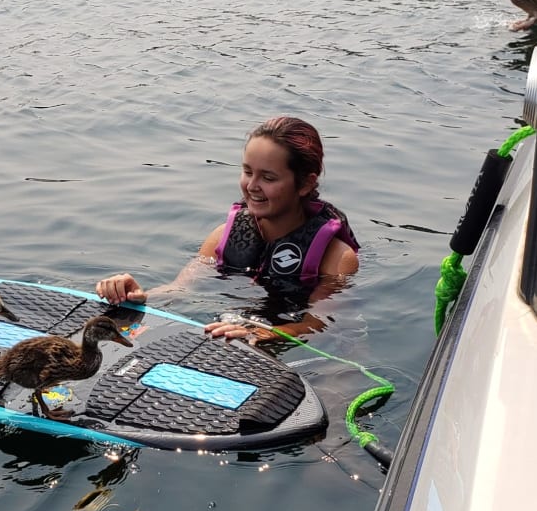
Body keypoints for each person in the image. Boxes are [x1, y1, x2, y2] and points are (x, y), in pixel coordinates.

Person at [96, 116, 359, 343]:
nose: (252, 186)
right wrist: (137, 296)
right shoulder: (223, 236)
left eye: (268, 178)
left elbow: (318, 326)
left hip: (291, 339)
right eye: (247, 172)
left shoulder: (337, 259)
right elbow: (181, 290)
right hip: (236, 332)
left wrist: (263, 333)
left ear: (304, 184)